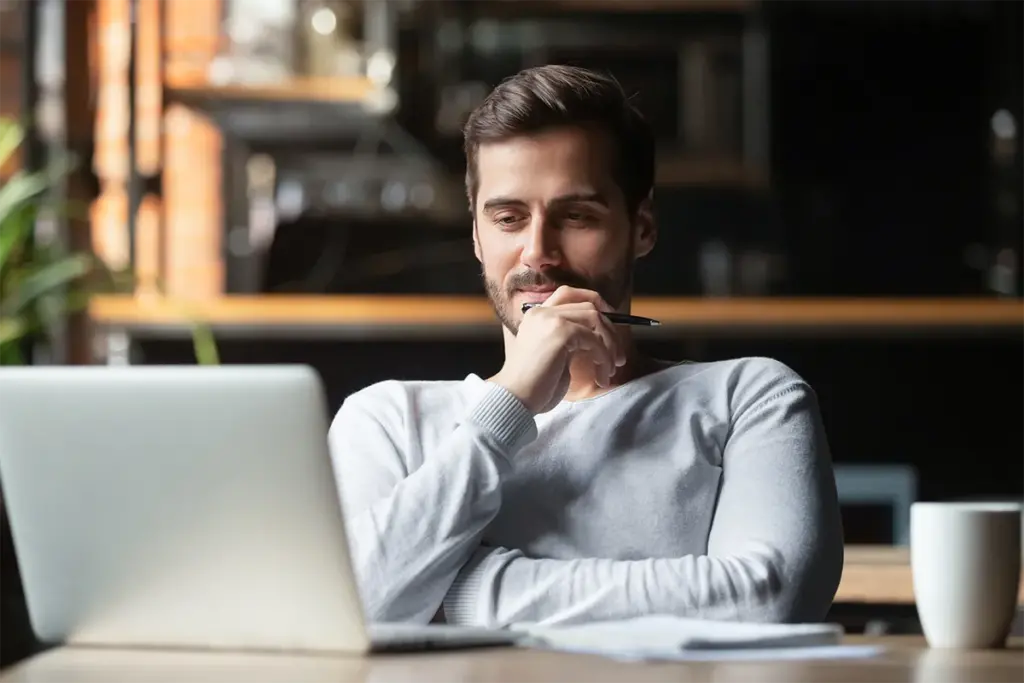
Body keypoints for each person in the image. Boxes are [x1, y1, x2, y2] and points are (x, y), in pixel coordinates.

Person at [328, 65, 844, 628]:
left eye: (576, 216)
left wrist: (457, 592)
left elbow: (768, 599)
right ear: (476, 235)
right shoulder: (385, 420)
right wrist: (510, 403)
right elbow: (347, 612)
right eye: (508, 217)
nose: (537, 253)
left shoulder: (750, 397)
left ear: (642, 227)